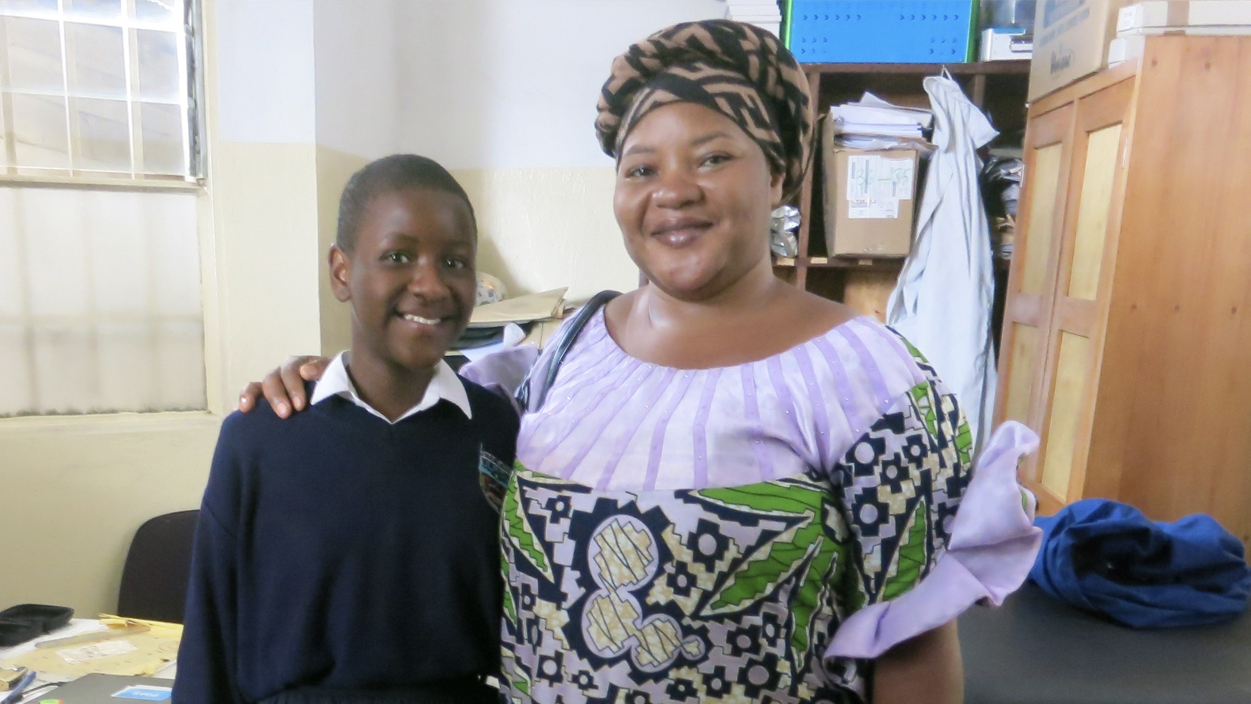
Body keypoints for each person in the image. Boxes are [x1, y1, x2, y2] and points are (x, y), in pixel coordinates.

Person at [242, 21, 1040, 704]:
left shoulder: (871, 383)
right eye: (641, 168)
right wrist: (326, 379)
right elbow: (418, 414)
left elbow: (912, 646)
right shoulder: (563, 354)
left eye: (711, 158)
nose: (672, 191)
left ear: (777, 174)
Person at [176, 155, 517, 704]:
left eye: (455, 262)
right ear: (341, 272)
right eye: (398, 256)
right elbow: (208, 645)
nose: (431, 284)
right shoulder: (261, 436)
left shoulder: (499, 430)